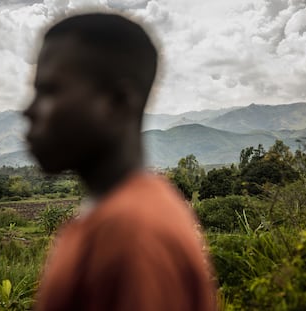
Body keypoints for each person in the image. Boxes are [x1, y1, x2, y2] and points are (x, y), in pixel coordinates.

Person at [24, 13, 217, 311]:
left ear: (118, 103)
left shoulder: (132, 235)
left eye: (49, 91)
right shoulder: (116, 216)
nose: (28, 110)